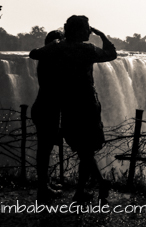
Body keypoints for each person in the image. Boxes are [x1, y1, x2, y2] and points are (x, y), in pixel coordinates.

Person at [30, 15, 117, 204]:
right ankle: (85, 189)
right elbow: (111, 54)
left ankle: (87, 188)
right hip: (86, 104)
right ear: (78, 30)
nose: (89, 31)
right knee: (86, 150)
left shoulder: (57, 49)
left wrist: (53, 44)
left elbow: (34, 53)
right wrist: (102, 35)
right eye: (86, 28)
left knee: (82, 149)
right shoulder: (87, 49)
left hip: (68, 105)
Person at [31, 30, 65, 203]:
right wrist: (56, 43)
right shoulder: (47, 58)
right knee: (44, 151)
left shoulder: (50, 60)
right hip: (46, 110)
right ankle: (42, 189)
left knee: (46, 149)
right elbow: (33, 53)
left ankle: (44, 185)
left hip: (46, 109)